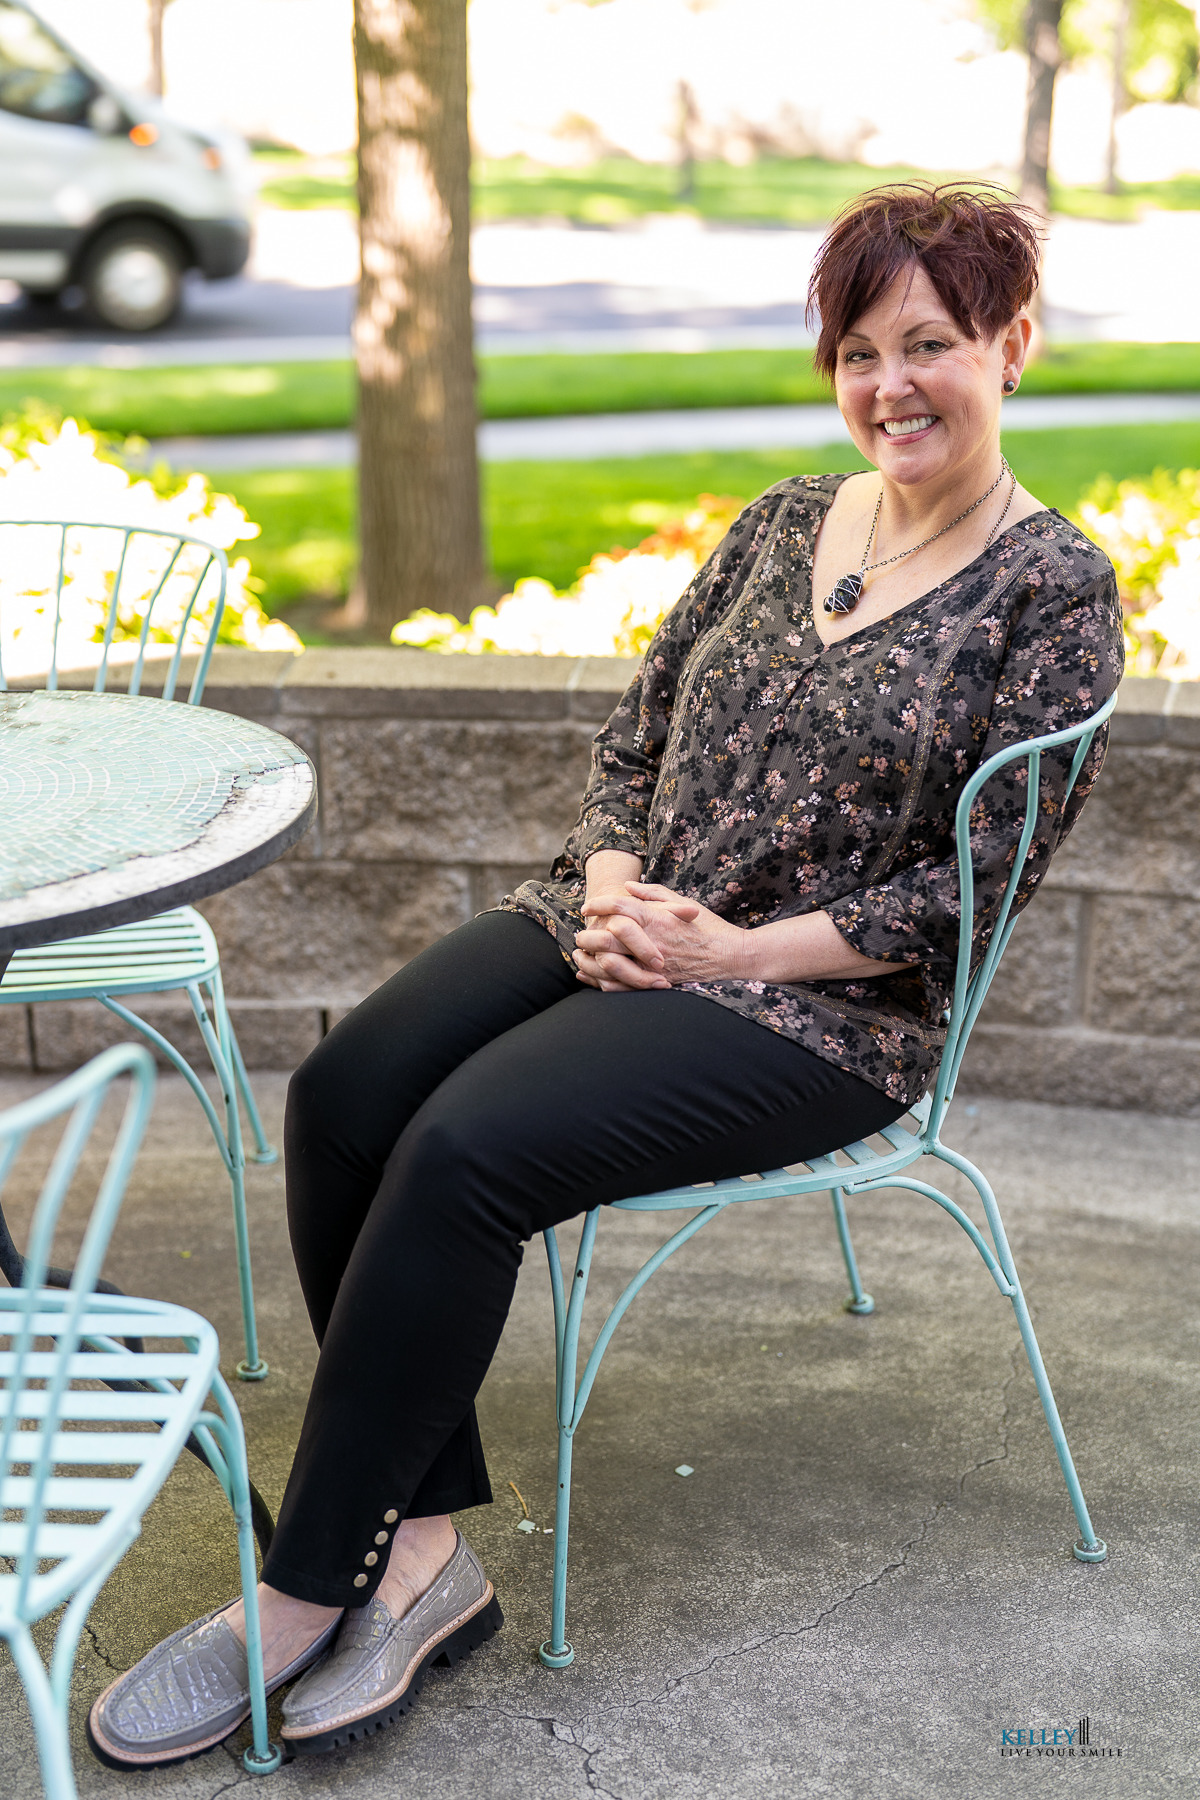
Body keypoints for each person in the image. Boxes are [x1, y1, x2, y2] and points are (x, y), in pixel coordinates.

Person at [88, 183, 1124, 1769]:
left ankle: (296, 1593)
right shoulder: (786, 520)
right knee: (349, 1094)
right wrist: (627, 889)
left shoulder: (1055, 596)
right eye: (857, 350)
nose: (888, 385)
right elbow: (636, 730)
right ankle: (425, 1556)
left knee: (464, 1156)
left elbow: (973, 892)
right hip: (624, 915)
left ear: (1015, 345)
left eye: (931, 343)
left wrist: (727, 949)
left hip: (818, 1004)